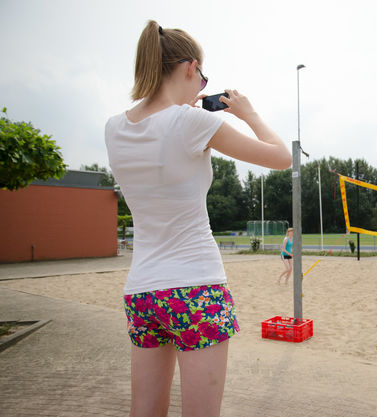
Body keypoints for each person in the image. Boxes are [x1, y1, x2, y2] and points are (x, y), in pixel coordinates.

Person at [104, 21, 291, 417]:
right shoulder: (192, 123)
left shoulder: (114, 128)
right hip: (195, 289)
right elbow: (281, 158)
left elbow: (157, 145)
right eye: (202, 77)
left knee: (145, 411)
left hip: (142, 291)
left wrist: (179, 111)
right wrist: (248, 113)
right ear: (190, 67)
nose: (203, 88)